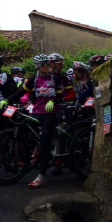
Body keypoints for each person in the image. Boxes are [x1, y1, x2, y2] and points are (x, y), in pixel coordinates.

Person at [24, 54, 65, 189]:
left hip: (51, 113)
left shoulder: (55, 78)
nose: (46, 67)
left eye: (48, 64)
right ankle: (36, 149)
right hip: (37, 112)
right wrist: (6, 100)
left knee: (45, 142)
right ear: (38, 67)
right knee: (26, 129)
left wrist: (53, 101)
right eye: (43, 65)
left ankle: (41, 176)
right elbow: (21, 92)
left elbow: (60, 96)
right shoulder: (34, 79)